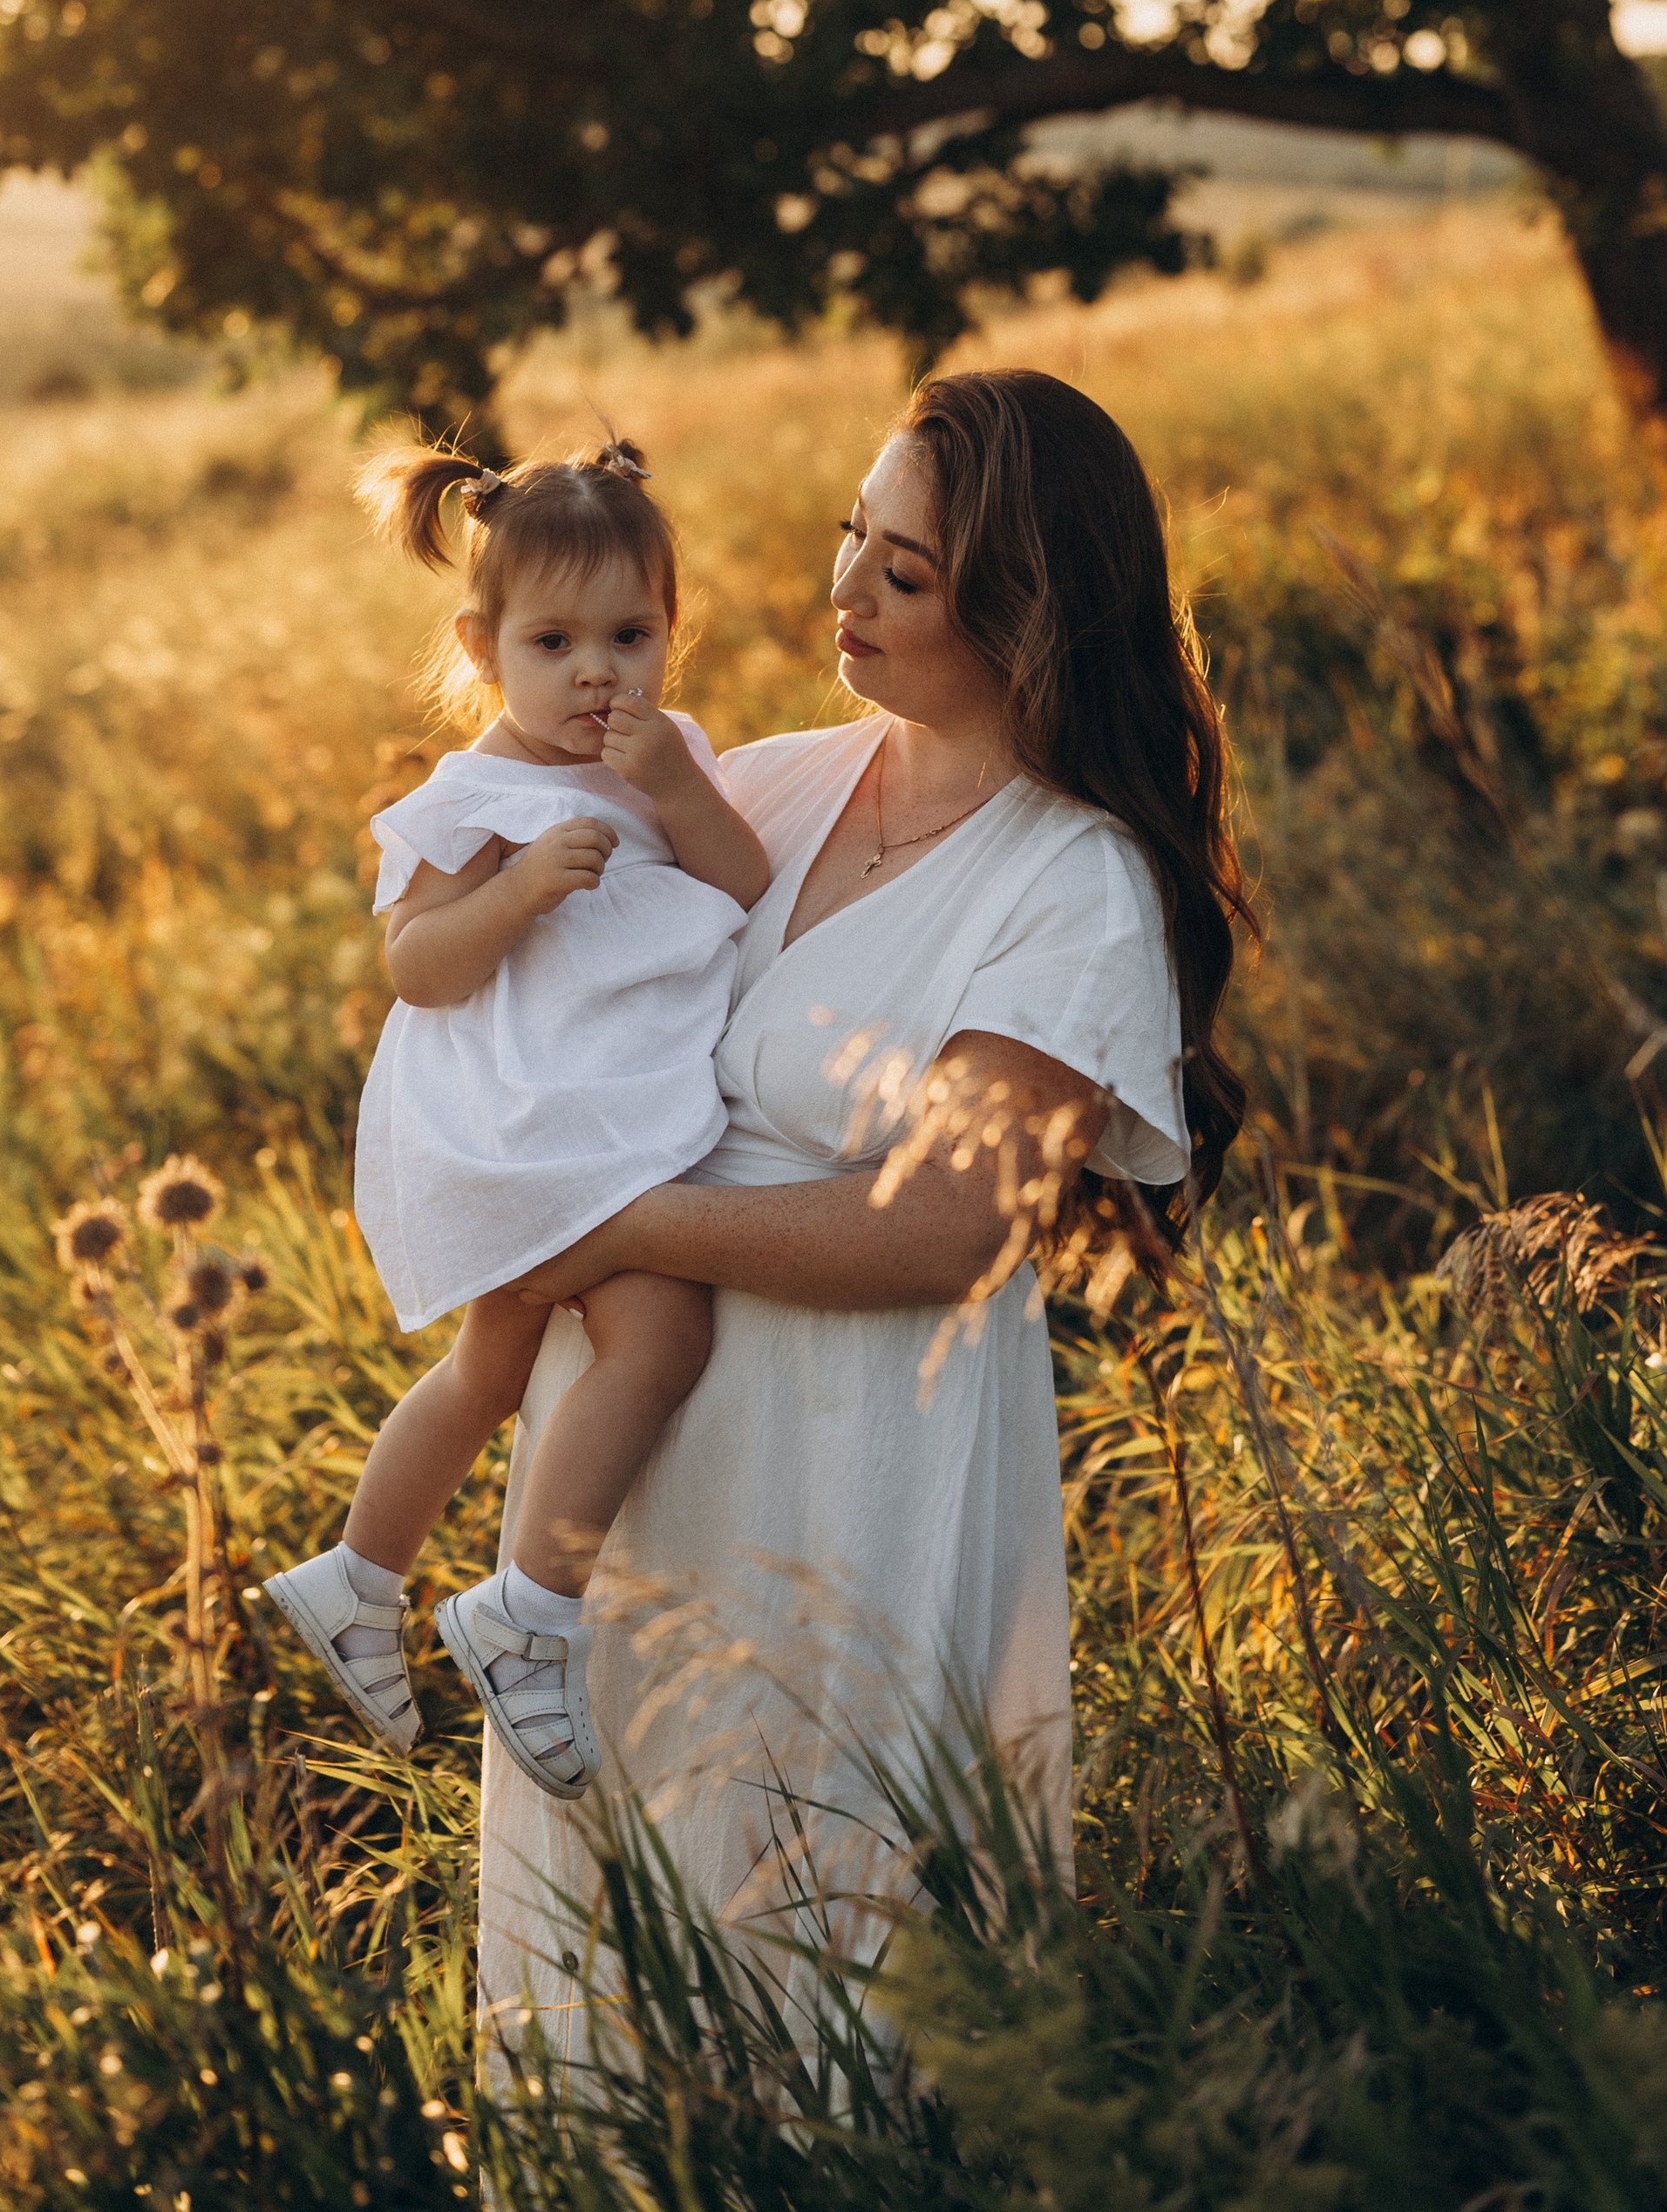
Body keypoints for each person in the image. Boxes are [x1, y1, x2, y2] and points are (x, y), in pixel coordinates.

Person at [471, 367, 1247, 2046]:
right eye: (851, 535)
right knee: (609, 1944)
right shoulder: (760, 786)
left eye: (905, 573)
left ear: (1029, 616)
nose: (846, 590)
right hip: (627, 1454)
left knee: (829, 1931)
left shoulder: (1075, 880)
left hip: (856, 1457)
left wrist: (617, 1230)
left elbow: (948, 1228)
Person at [265, 436, 769, 1796]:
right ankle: (528, 1615)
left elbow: (744, 885)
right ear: (482, 649)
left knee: (490, 1372)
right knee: (658, 1338)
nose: (598, 673)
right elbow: (419, 967)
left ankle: (358, 1576)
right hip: (535, 1128)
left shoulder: (669, 758)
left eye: (630, 636)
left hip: (608, 1115)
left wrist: (676, 790)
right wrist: (519, 889)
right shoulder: (476, 801)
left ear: (672, 631)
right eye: (555, 643)